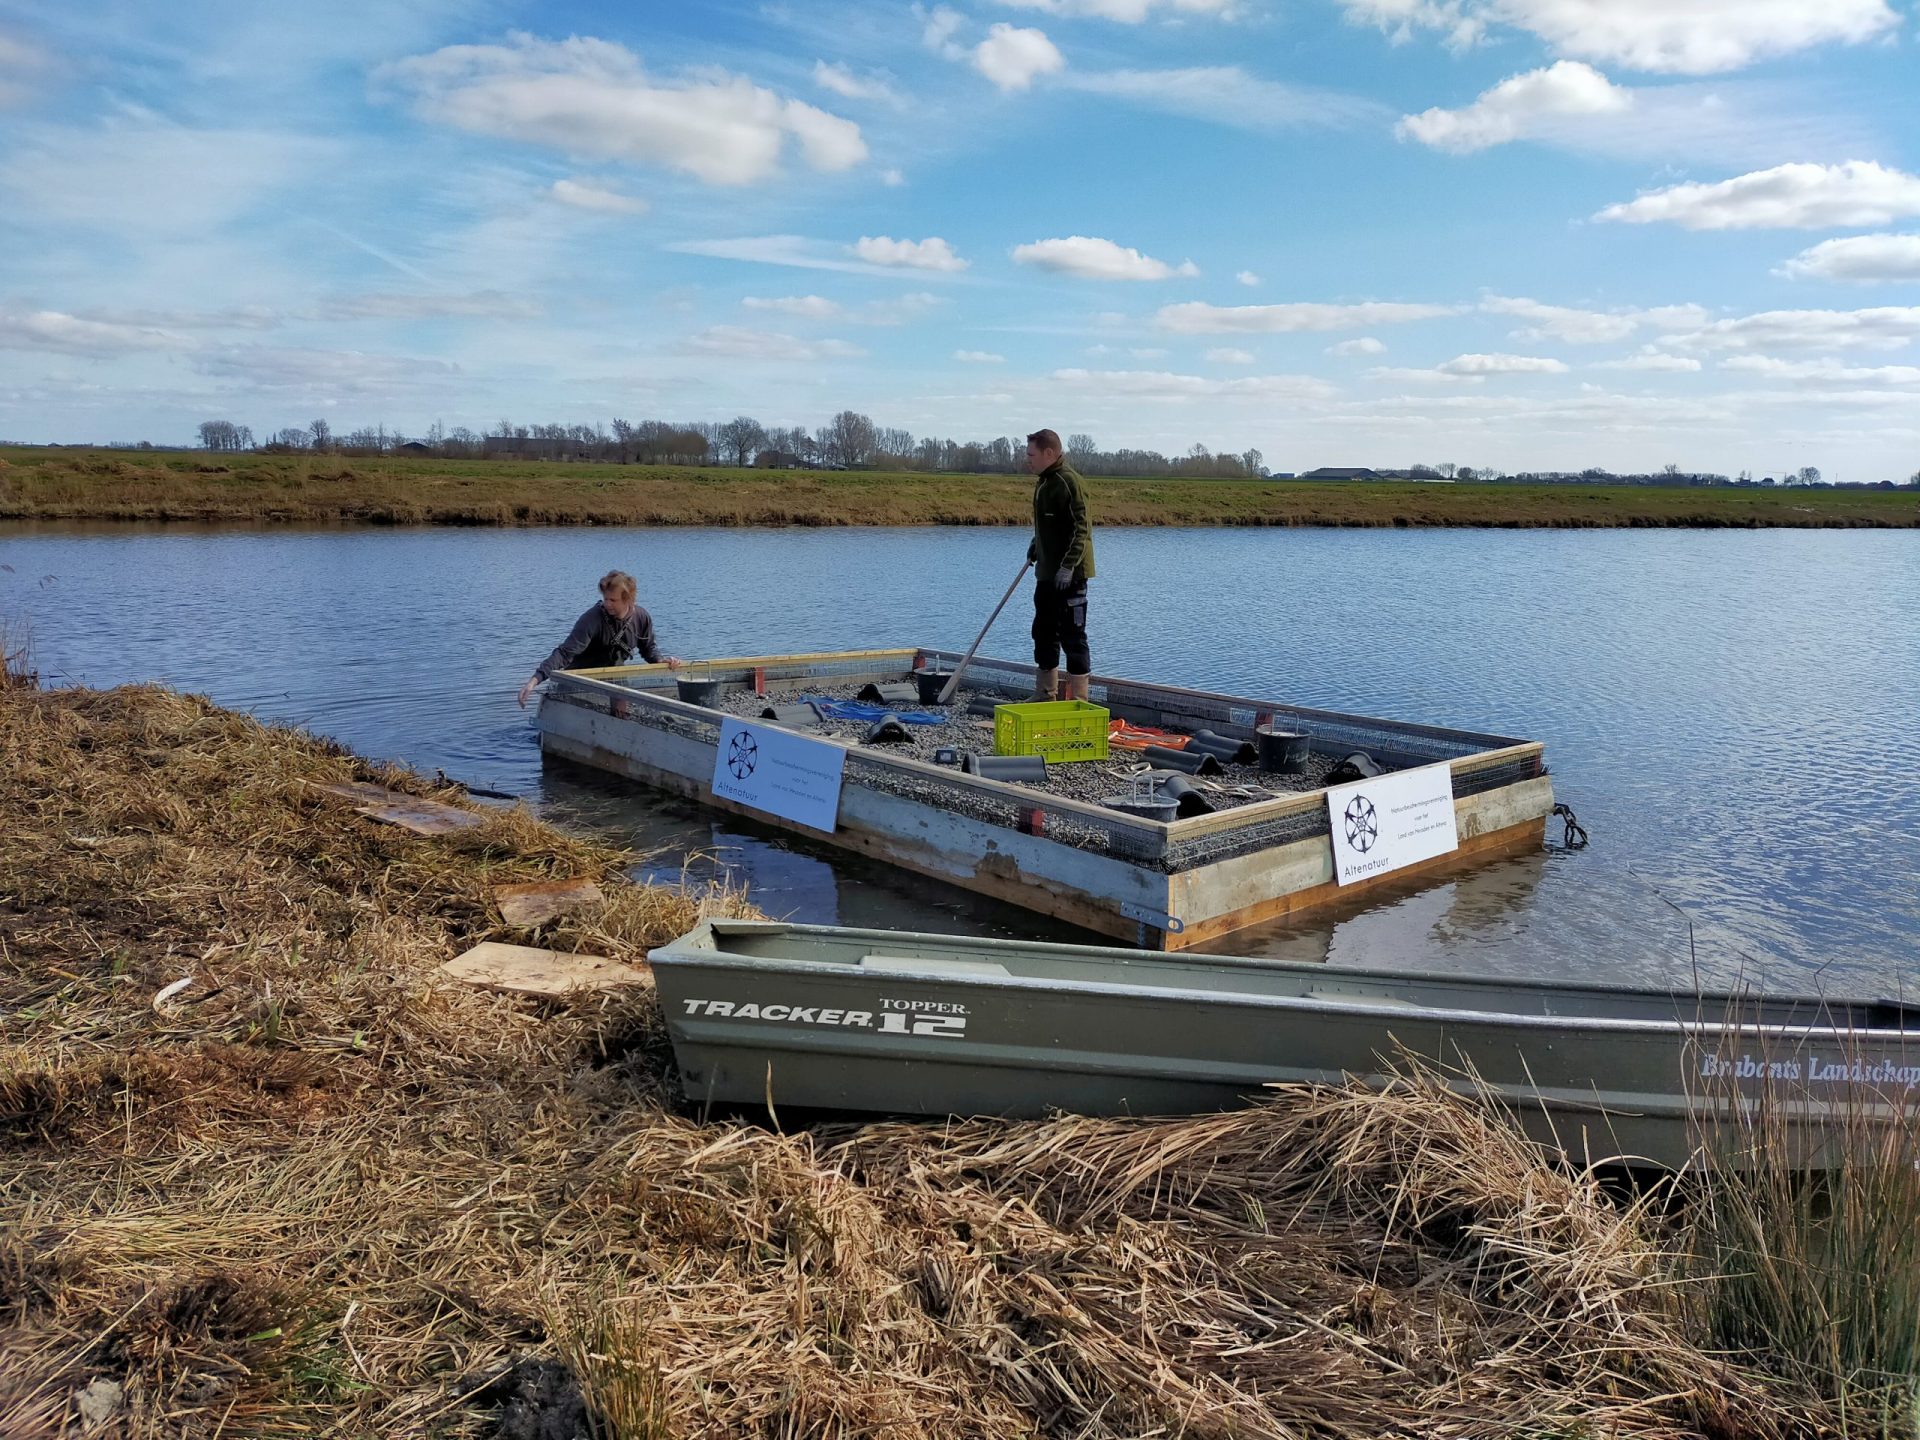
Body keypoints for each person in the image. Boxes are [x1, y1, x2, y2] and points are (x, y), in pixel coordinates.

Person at [518, 569, 682, 707]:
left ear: (628, 599)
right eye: (605, 599)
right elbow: (564, 653)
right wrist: (535, 679)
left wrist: (661, 661)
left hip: (615, 676)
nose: (607, 604)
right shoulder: (592, 619)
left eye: (613, 600)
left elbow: (649, 649)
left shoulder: (641, 617)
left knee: (621, 715)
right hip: (580, 679)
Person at [1024, 428, 1095, 701]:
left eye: (1031, 454)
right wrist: (1035, 547)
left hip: (1071, 576)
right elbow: (1047, 525)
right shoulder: (1043, 482)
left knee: (1073, 637)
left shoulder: (1069, 482)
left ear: (1049, 453)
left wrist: (1068, 566)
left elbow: (1081, 529)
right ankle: (1045, 694)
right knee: (1043, 633)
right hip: (1046, 574)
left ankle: (1078, 701)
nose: (1027, 460)